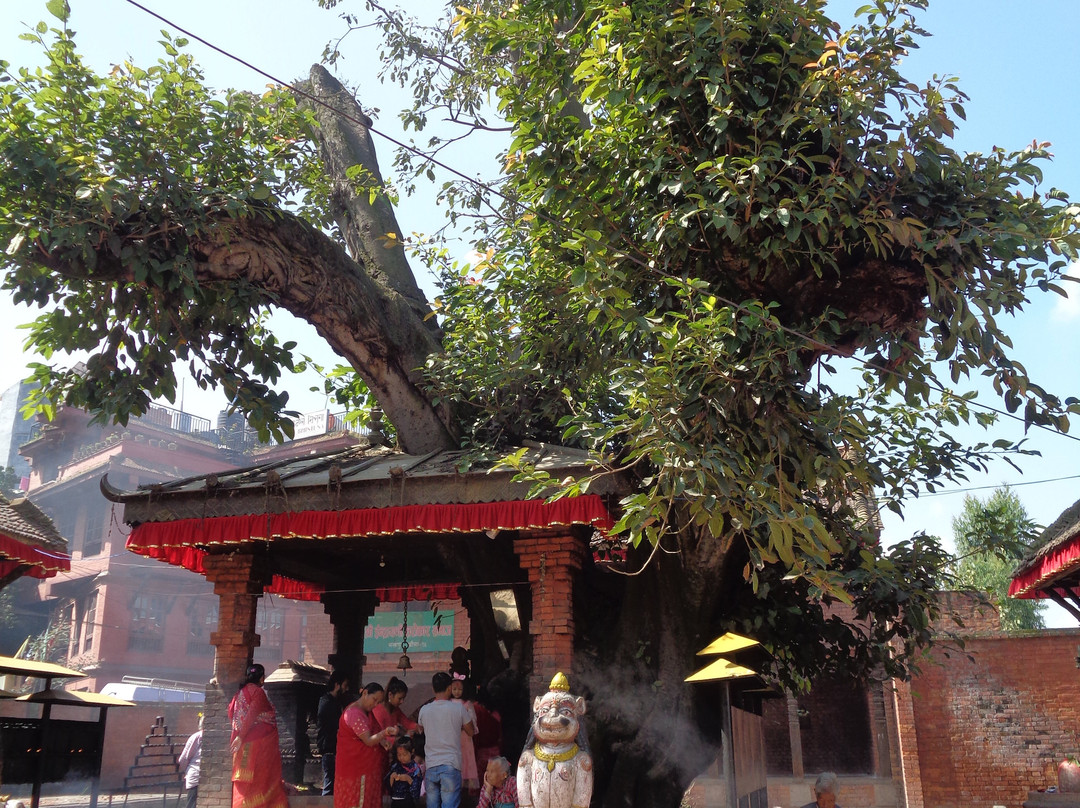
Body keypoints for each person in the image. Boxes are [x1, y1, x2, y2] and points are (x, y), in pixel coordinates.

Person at [228, 663, 289, 808]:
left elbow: (231, 713)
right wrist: (241, 736)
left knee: (243, 784)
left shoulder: (239, 694)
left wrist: (239, 736)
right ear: (262, 678)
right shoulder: (258, 692)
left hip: (242, 747)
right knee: (263, 782)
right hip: (260, 746)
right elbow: (252, 714)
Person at [418, 671, 476, 808]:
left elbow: (420, 730)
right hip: (451, 765)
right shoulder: (459, 708)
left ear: (433, 689)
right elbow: (471, 731)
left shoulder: (424, 710)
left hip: (431, 765)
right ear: (450, 688)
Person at [336, 681, 398, 808]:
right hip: (356, 770)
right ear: (365, 693)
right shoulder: (354, 714)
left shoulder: (365, 712)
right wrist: (385, 732)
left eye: (378, 702)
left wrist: (382, 741)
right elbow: (368, 740)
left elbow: (371, 732)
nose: (375, 705)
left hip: (368, 770)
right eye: (374, 700)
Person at [318, 670, 350, 795]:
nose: (346, 689)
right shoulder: (327, 702)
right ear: (337, 685)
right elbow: (331, 726)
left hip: (335, 748)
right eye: (345, 685)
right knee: (329, 784)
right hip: (330, 748)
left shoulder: (335, 702)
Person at [450, 675, 479, 798]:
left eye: (460, 689)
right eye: (454, 689)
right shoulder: (448, 704)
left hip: (465, 738)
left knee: (465, 761)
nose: (457, 692)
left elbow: (473, 722)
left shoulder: (467, 705)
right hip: (453, 738)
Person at [385, 736, 424, 808]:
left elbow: (416, 793)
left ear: (412, 752)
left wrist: (409, 779)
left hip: (408, 803)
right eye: (399, 755)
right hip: (395, 802)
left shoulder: (415, 769)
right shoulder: (395, 767)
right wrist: (391, 778)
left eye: (404, 754)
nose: (401, 757)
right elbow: (389, 789)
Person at [177, 715, 203, 808]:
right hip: (210, 777)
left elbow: (183, 759)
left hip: (195, 775)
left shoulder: (196, 737)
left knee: (192, 803)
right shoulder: (215, 738)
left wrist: (186, 771)